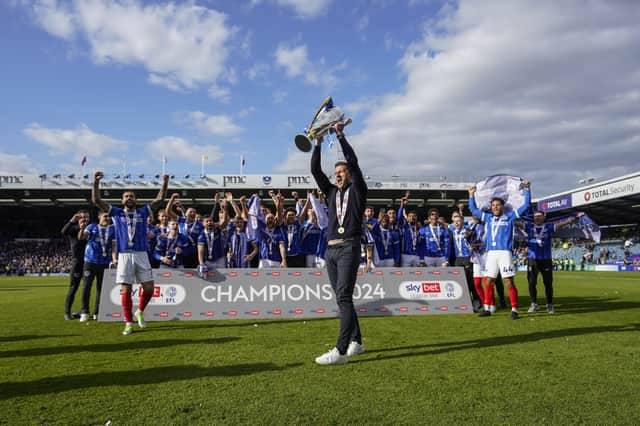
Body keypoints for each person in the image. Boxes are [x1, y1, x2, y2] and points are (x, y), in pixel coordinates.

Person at [311, 121, 367, 365]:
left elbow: (353, 161)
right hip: (330, 250)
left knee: (343, 297)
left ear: (350, 175)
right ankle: (358, 341)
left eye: (342, 172)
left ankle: (341, 351)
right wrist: (318, 144)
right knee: (342, 298)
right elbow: (315, 171)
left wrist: (340, 135)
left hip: (348, 247)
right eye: (336, 173)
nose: (338, 175)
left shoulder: (358, 190)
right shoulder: (332, 192)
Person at [92, 171, 169, 335]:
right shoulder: (116, 213)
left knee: (149, 288)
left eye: (132, 196)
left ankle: (140, 311)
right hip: (124, 255)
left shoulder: (143, 212)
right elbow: (96, 200)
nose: (129, 198)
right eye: (126, 196)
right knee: (126, 290)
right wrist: (95, 182)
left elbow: (160, 200)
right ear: (122, 200)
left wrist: (165, 182)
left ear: (136, 200)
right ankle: (128, 323)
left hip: (141, 253)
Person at [469, 181, 531, 319]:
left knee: (508, 281)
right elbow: (473, 210)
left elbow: (526, 205)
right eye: (493, 206)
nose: (496, 207)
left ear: (503, 207)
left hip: (505, 253)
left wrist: (527, 190)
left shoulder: (510, 217)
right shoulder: (488, 217)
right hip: (491, 253)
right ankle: (487, 308)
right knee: (488, 281)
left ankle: (514, 309)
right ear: (491, 208)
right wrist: (471, 195)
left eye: (498, 205)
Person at [522, 210, 581, 314]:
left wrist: (573, 219)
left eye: (539, 216)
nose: (537, 218)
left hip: (546, 259)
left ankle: (549, 304)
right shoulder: (529, 227)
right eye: (535, 216)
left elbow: (561, 224)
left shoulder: (549, 227)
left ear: (544, 217)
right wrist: (508, 217)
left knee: (548, 283)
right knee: (531, 283)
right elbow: (516, 223)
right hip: (532, 259)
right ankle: (534, 304)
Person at [78, 212, 116, 321]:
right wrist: (82, 228)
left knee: (101, 288)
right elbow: (81, 237)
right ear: (99, 216)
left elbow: (114, 246)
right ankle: (84, 312)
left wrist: (114, 259)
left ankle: (97, 312)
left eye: (109, 216)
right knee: (86, 286)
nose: (107, 218)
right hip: (90, 261)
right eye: (105, 216)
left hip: (104, 262)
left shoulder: (112, 229)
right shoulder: (92, 226)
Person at [61, 210, 90, 320]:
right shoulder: (74, 229)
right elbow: (63, 232)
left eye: (87, 217)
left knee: (87, 288)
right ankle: (67, 312)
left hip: (89, 262)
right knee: (73, 287)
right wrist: (72, 220)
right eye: (82, 217)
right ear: (78, 218)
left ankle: (83, 311)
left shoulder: (91, 229)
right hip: (77, 262)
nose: (85, 219)